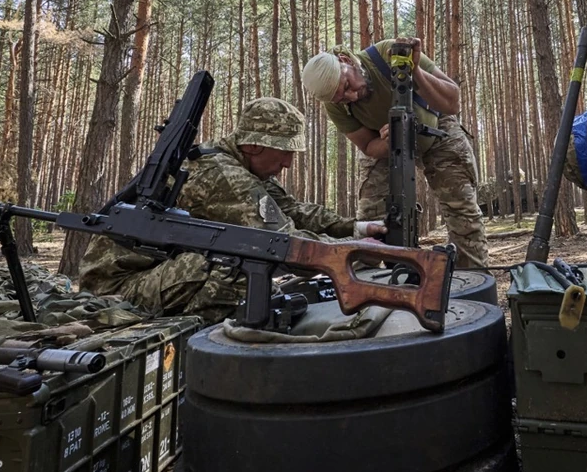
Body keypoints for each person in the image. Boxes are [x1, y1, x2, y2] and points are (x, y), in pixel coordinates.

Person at [79, 97, 385, 324]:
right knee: (239, 268)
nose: (288, 163)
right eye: (285, 151)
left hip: (155, 272)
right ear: (253, 146)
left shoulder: (238, 163)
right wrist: (352, 251)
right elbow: (284, 243)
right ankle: (200, 333)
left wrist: (357, 229)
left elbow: (292, 209)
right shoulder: (224, 175)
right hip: (118, 287)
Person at [301, 37, 488, 268]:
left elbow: (452, 103)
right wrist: (390, 140)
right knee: (370, 219)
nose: (350, 97)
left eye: (347, 86)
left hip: (437, 128)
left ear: (345, 60)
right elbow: (368, 147)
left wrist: (415, 70)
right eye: (341, 98)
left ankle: (473, 281)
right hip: (385, 144)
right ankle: (365, 286)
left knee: (462, 212)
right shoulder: (334, 104)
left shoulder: (387, 54)